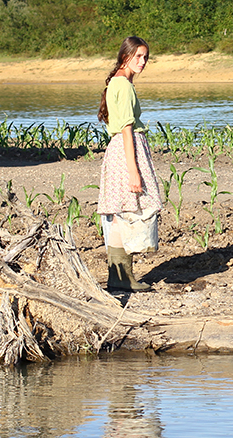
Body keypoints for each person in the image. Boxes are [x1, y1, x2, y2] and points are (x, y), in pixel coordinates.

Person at [97, 36, 163, 292]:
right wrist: (134, 170)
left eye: (145, 57)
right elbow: (126, 129)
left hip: (123, 150)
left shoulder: (119, 82)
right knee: (124, 211)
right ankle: (121, 277)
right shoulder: (122, 85)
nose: (143, 62)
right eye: (137, 56)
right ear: (125, 57)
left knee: (121, 212)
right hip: (126, 151)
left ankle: (121, 277)